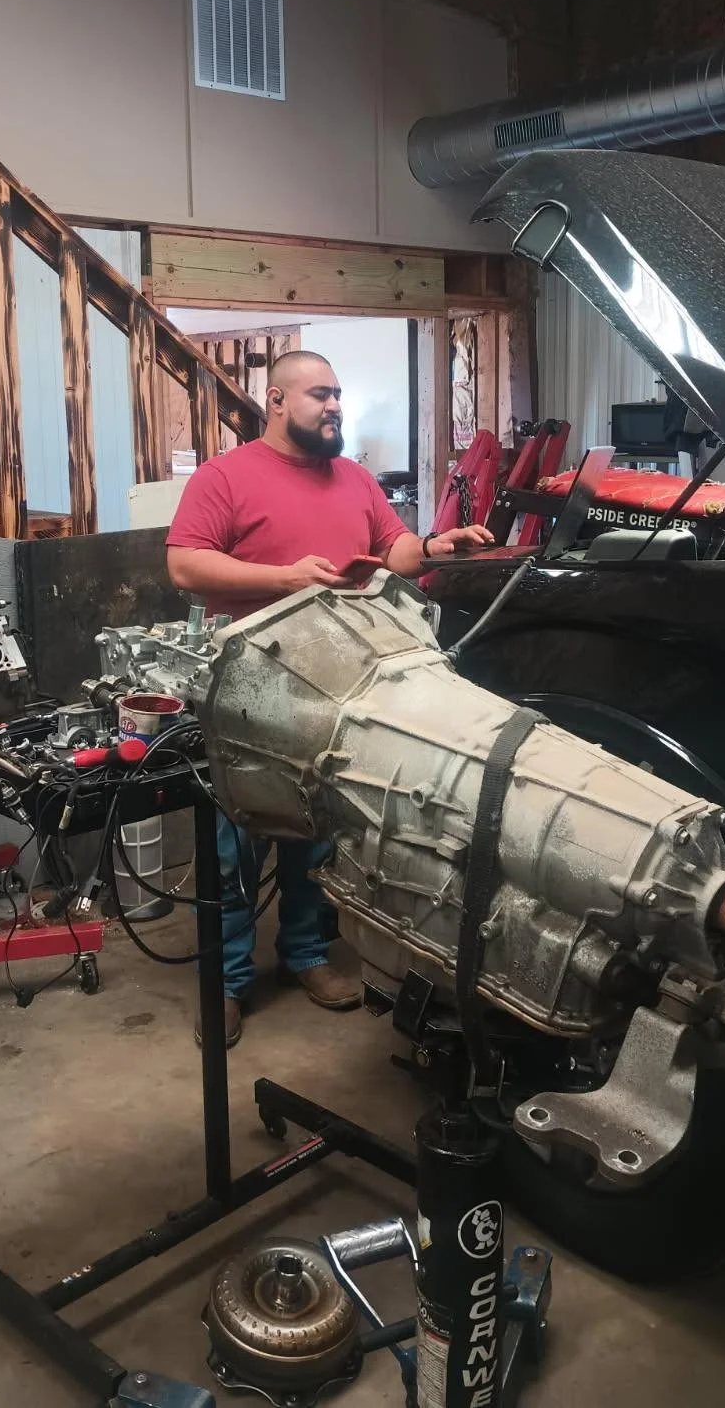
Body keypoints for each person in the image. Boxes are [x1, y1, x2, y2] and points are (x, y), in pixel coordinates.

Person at [166, 350, 493, 1045]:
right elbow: (185, 563)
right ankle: (222, 982)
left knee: (317, 826)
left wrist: (436, 545)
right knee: (234, 843)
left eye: (339, 394)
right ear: (276, 401)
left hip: (341, 684)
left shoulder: (353, 477)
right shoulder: (226, 476)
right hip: (254, 686)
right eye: (320, 394)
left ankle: (305, 954)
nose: (335, 406)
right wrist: (284, 578)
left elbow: (394, 548)